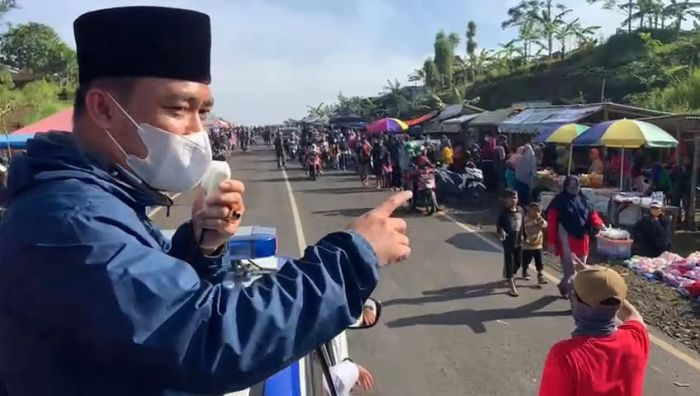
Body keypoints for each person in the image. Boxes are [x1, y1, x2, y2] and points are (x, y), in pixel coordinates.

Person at [0, 7, 413, 396]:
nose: (198, 131)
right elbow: (204, 336)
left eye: (204, 112)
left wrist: (200, 244)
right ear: (104, 109)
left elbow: (141, 308)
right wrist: (354, 256)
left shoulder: (100, 202)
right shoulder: (71, 221)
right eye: (179, 108)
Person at [539, 265, 649, 396]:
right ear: (618, 304)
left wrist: (600, 285)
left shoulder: (565, 356)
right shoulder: (636, 338)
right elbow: (633, 315)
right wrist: (610, 287)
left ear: (576, 303)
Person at [547, 176, 605, 297]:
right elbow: (552, 223)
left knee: (581, 270)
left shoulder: (584, 200)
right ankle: (575, 301)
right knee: (570, 272)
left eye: (576, 186)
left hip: (583, 239)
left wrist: (600, 224)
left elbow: (592, 215)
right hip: (566, 240)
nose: (574, 189)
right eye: (571, 186)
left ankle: (564, 286)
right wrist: (551, 242)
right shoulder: (558, 202)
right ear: (565, 187)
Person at [497, 189, 524, 297]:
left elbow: (523, 225)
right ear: (506, 200)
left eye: (515, 197)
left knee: (518, 262)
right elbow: (498, 224)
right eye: (511, 198)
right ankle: (511, 283)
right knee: (510, 260)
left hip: (519, 240)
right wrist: (501, 231)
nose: (513, 200)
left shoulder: (521, 210)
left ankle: (510, 273)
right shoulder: (503, 212)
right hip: (508, 240)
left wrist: (525, 236)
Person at [522, 202, 548, 284]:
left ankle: (540, 275)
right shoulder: (525, 220)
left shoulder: (539, 220)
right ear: (529, 210)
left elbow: (545, 225)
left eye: (538, 211)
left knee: (539, 261)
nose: (536, 212)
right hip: (527, 245)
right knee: (526, 260)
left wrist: (539, 219)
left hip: (538, 245)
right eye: (533, 210)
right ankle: (525, 271)